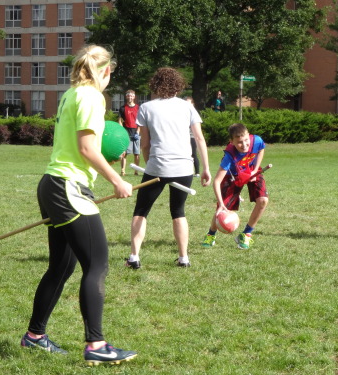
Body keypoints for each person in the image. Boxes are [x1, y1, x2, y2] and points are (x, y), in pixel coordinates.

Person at [21, 44, 137, 365]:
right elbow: (87, 148)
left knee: (62, 265)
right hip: (69, 188)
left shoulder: (71, 94)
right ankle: (96, 346)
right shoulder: (91, 97)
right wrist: (117, 179)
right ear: (107, 71)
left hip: (52, 184)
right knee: (97, 263)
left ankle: (34, 336)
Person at [124, 68, 211, 269]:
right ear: (178, 84)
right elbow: (199, 138)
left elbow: (145, 144)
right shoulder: (187, 107)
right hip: (184, 168)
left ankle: (134, 257)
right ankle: (183, 258)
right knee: (178, 211)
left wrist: (151, 164)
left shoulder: (146, 107)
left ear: (155, 84)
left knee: (141, 210)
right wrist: (205, 167)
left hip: (157, 167)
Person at [202, 123, 268, 250]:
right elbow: (216, 181)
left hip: (251, 170)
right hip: (233, 176)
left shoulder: (257, 141)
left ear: (249, 136)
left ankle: (246, 234)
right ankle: (211, 234)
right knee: (221, 209)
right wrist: (221, 204)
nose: (244, 145)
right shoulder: (229, 156)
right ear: (231, 142)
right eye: (239, 142)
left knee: (263, 200)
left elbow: (261, 149)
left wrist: (254, 170)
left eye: (246, 140)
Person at [118, 89, 140, 176]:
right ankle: (123, 171)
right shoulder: (122, 108)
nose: (130, 97)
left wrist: (138, 132)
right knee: (125, 153)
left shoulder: (138, 108)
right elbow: (120, 121)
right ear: (126, 96)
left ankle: (136, 171)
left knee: (137, 153)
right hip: (126, 133)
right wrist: (122, 131)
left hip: (136, 133)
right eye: (128, 95)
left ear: (134, 97)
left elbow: (140, 121)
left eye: (131, 95)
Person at [185, 96, 200, 177]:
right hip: (184, 137)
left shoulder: (194, 113)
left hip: (192, 137)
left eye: (189, 102)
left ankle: (197, 172)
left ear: (192, 104)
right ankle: (188, 171)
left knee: (193, 154)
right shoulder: (182, 113)